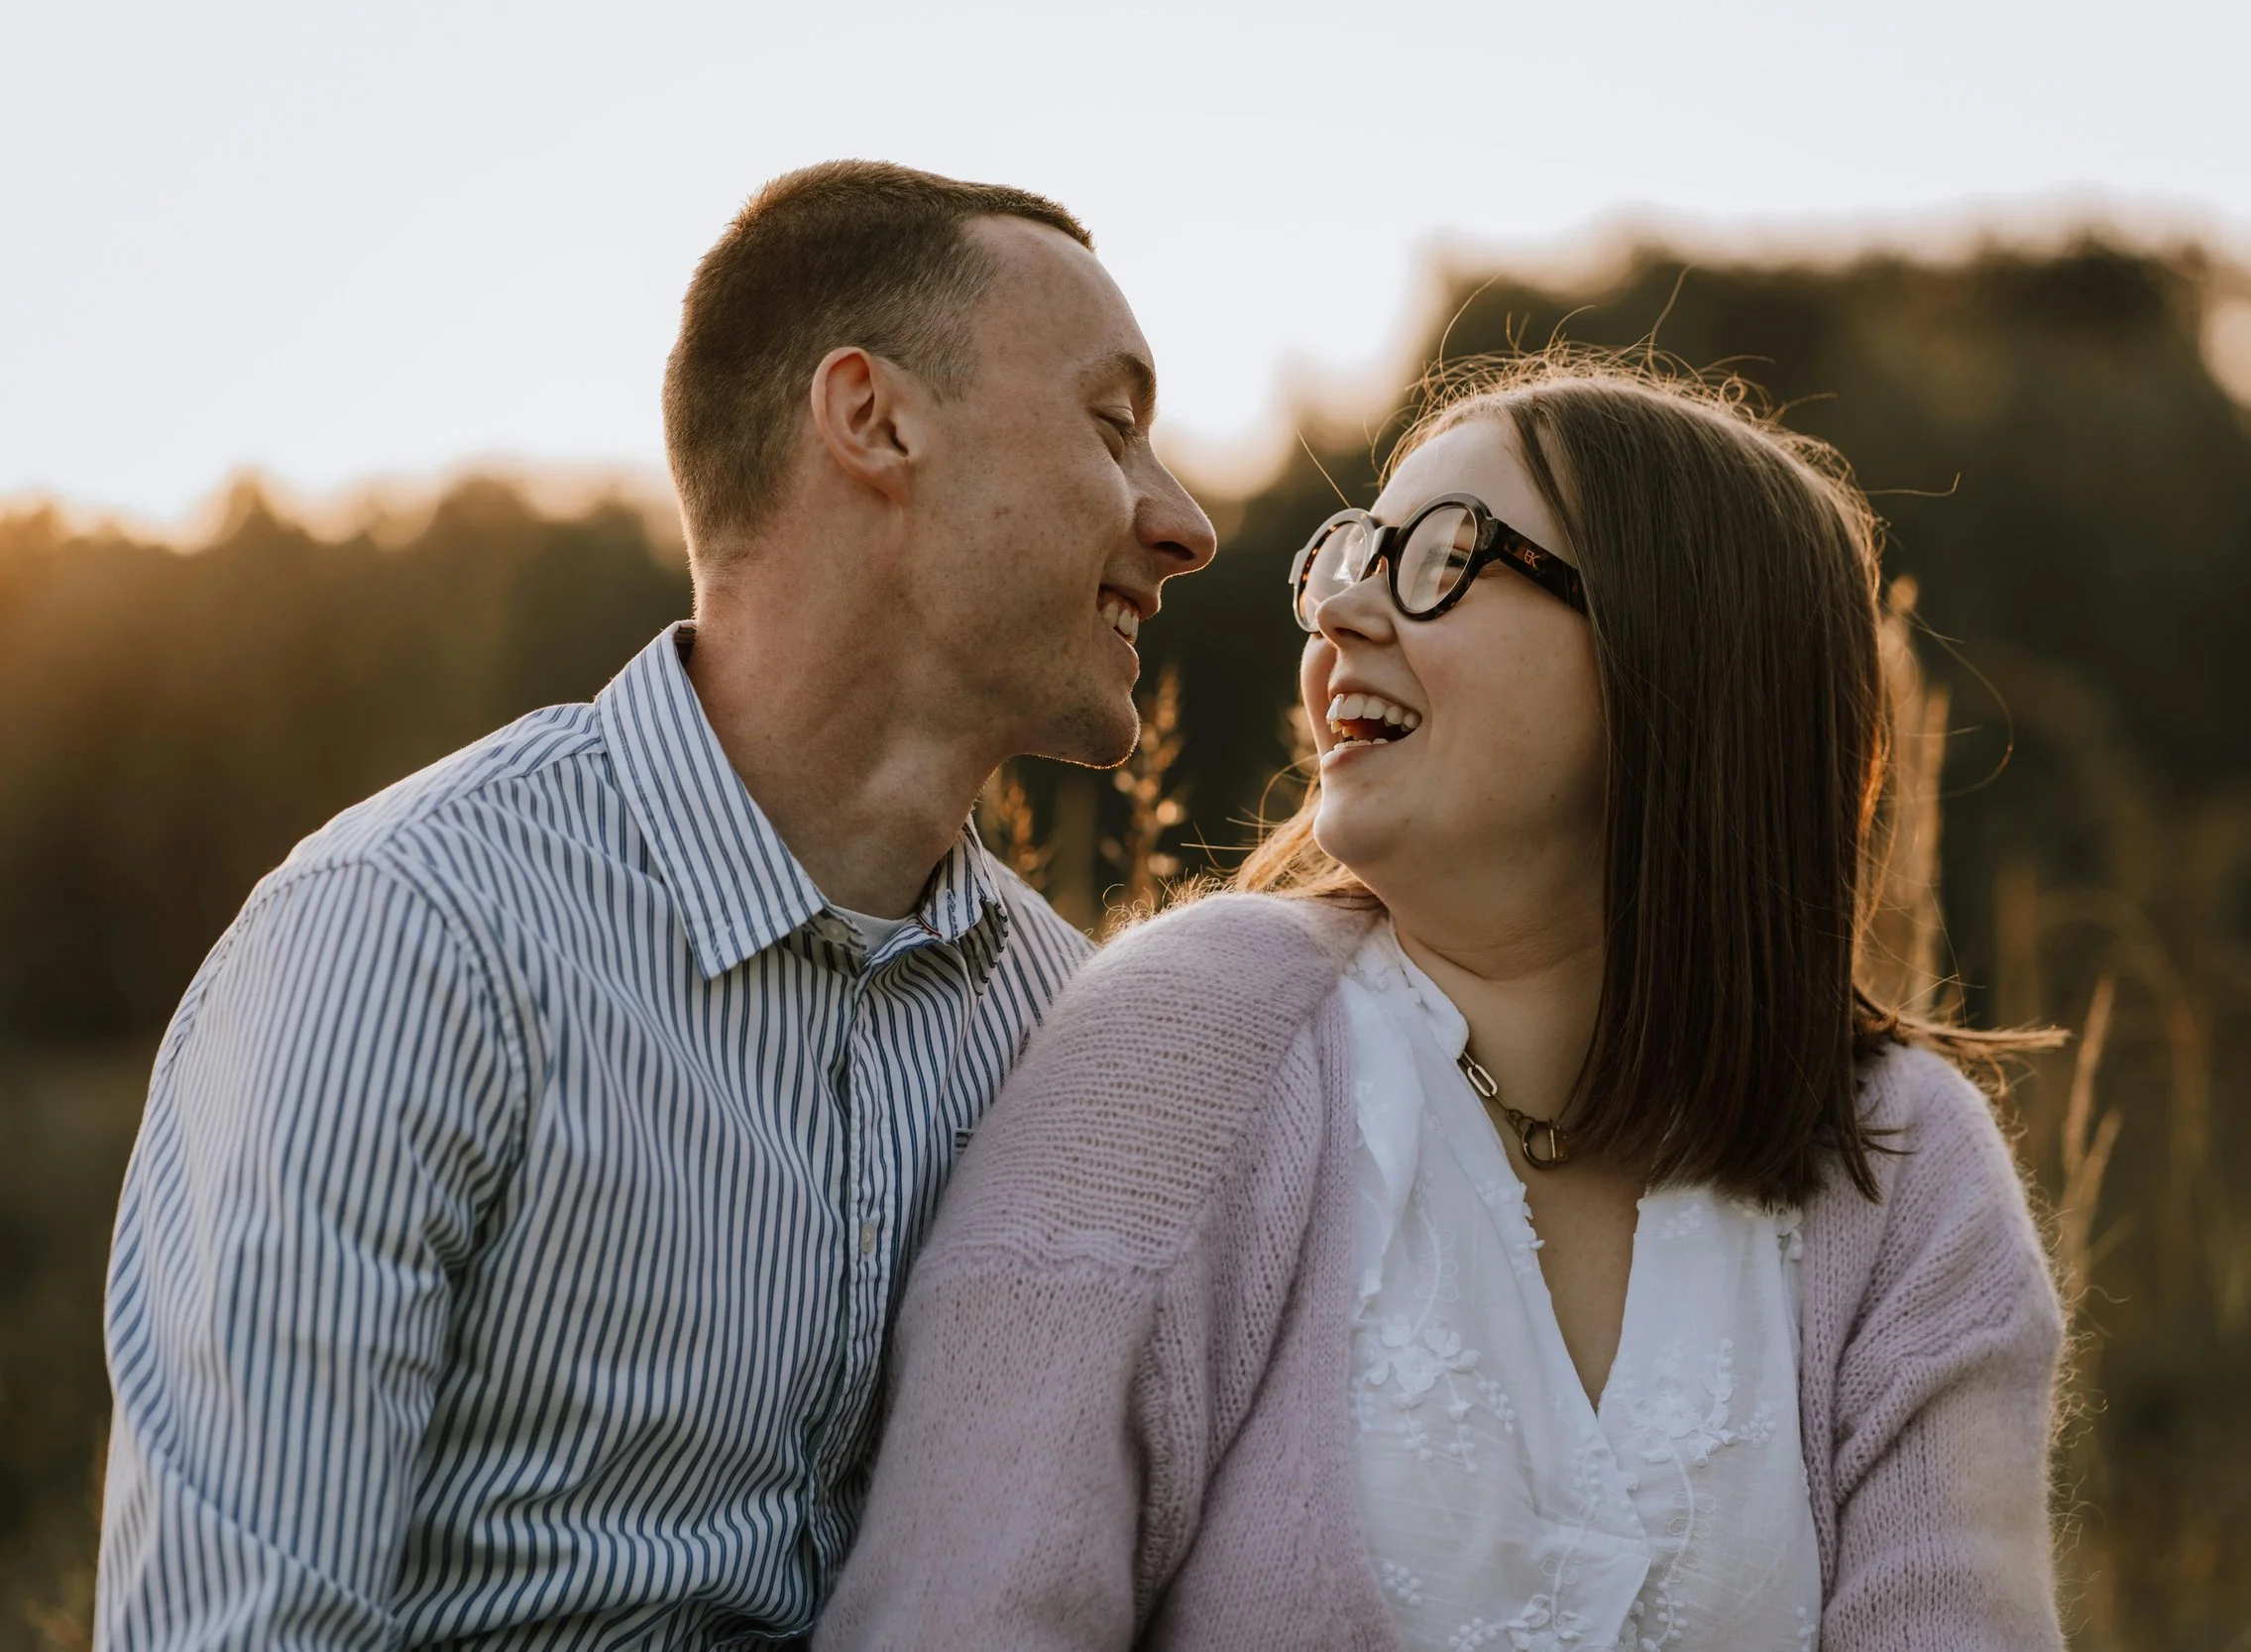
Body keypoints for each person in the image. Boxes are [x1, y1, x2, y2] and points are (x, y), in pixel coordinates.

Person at [94, 161, 1215, 1649]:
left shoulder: (1069, 1027)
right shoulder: (410, 939)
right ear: (874, 420)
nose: (1184, 520)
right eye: (1113, 425)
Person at [818, 358, 2067, 1649]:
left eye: (1442, 556)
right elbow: (965, 1607)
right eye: (1353, 553)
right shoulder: (1186, 1044)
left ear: (1672, 650)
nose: (1346, 612)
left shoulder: (1907, 1172)